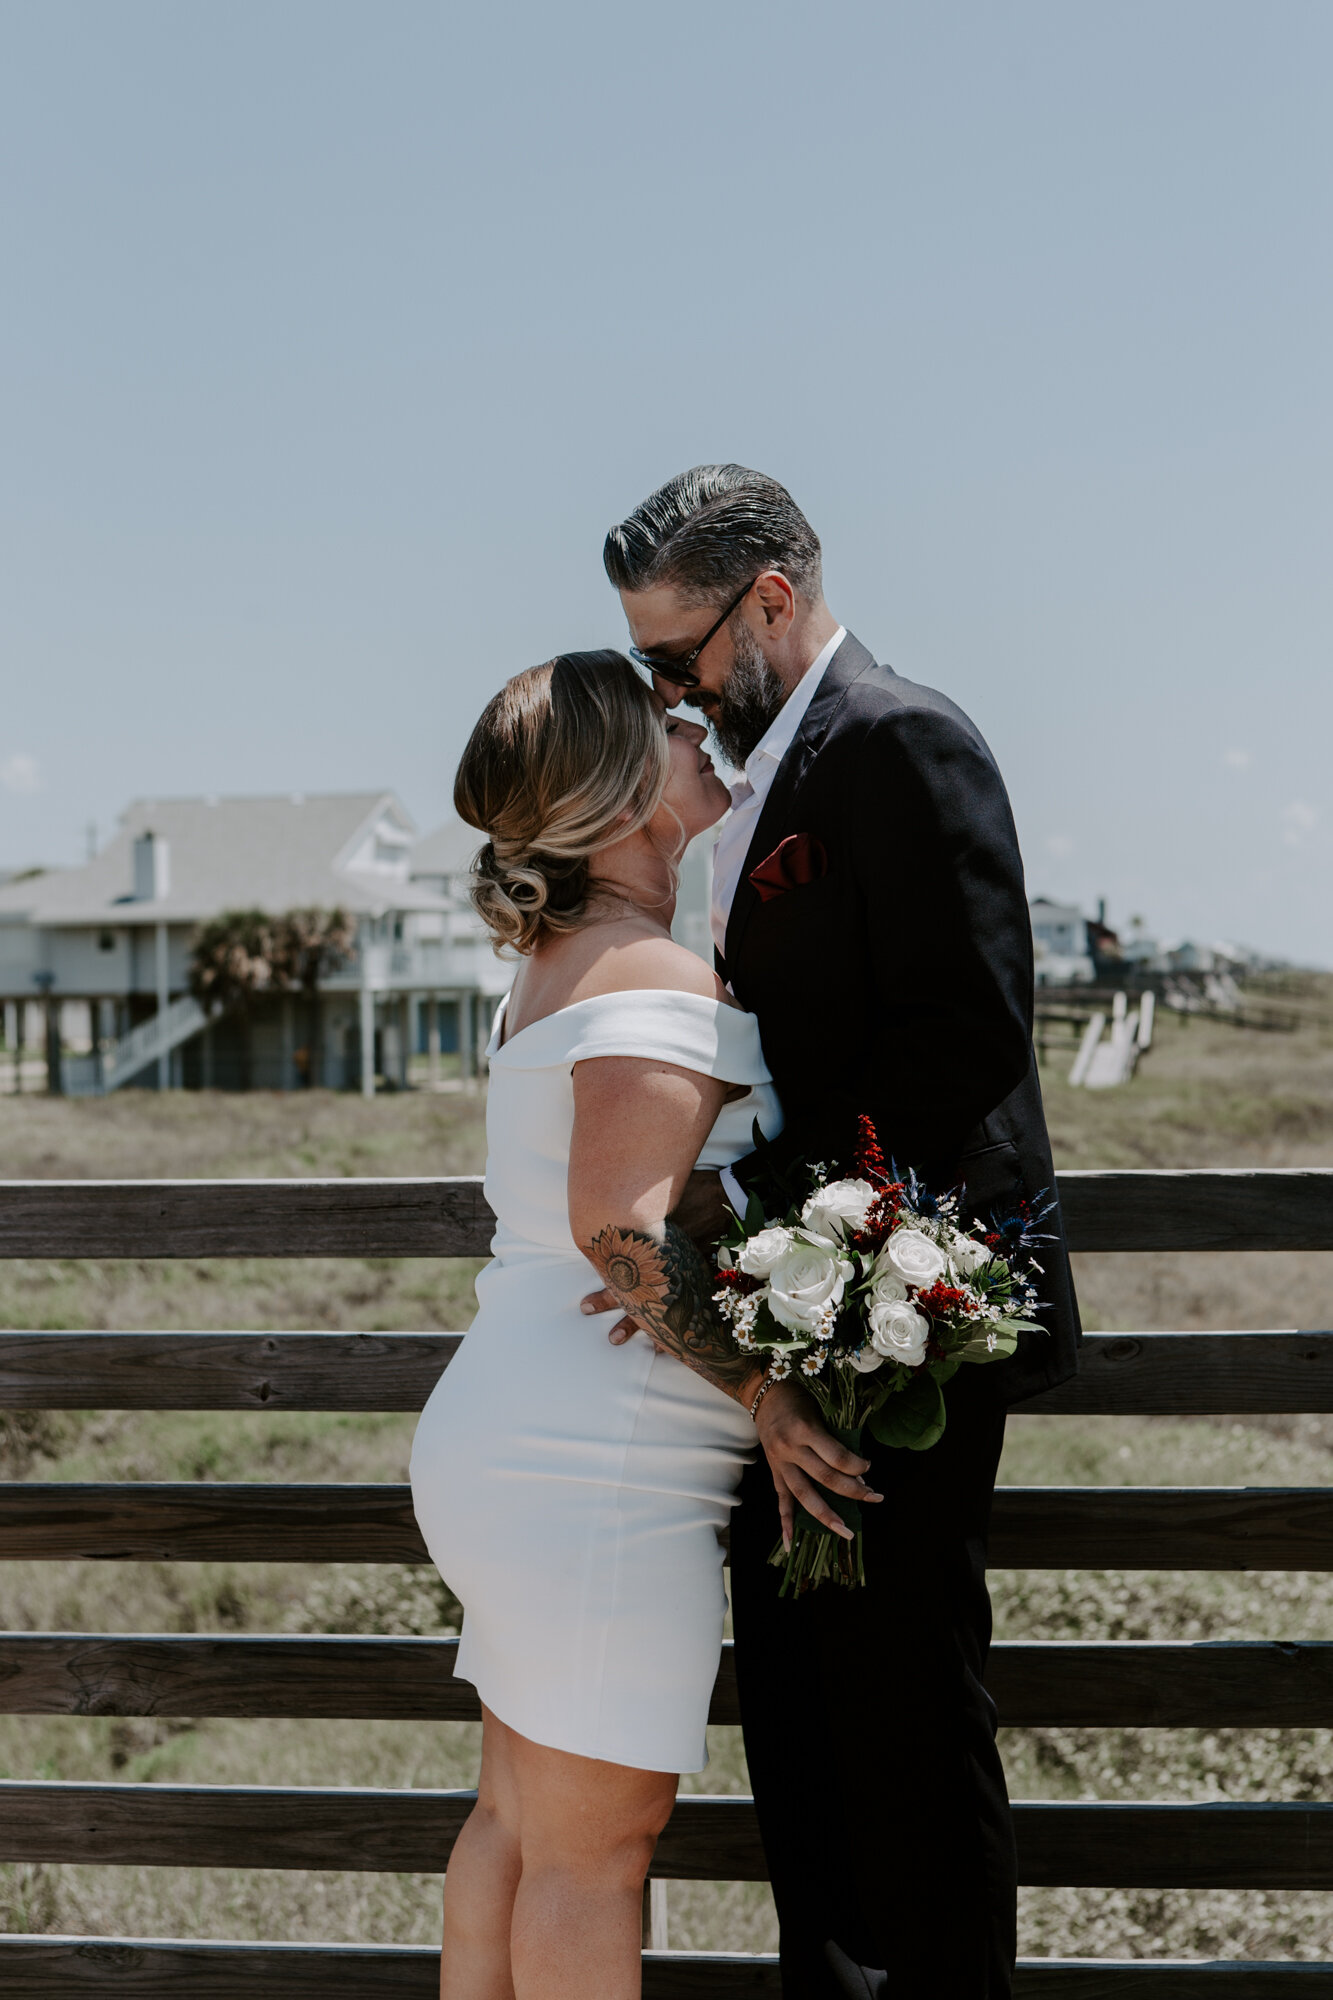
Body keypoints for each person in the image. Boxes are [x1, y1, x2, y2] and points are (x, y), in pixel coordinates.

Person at [586, 465, 1082, 1997]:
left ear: (773, 602)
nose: (667, 696)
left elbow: (969, 1036)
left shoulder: (899, 741)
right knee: (803, 1733)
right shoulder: (749, 793)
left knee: (905, 1735)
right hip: (794, 1327)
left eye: (677, 659)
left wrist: (779, 1228)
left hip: (907, 1317)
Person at [409, 649, 867, 2000]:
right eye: (668, 726)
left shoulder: (563, 963)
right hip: (594, 1472)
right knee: (592, 1857)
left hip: (520, 1435)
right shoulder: (653, 972)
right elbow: (620, 1229)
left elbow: (633, 1202)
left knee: (520, 1820)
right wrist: (770, 1400)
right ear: (618, 796)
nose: (698, 733)